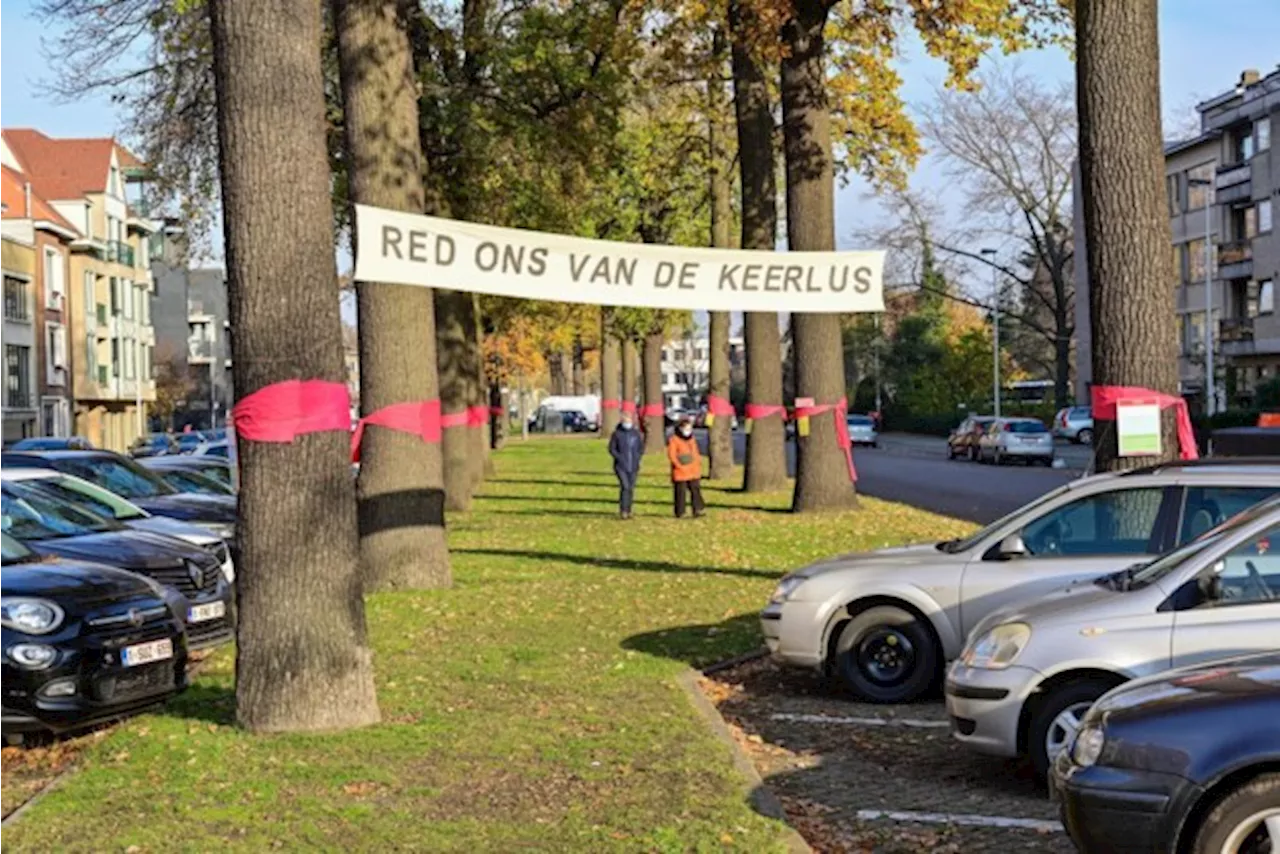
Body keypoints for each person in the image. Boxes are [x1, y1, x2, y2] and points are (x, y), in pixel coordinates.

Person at [608, 410, 644, 519]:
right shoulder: (617, 434)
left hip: (633, 465)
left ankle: (629, 510)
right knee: (625, 487)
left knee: (631, 488)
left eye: (629, 420)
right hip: (621, 466)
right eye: (625, 420)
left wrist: (637, 458)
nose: (627, 422)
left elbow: (640, 448)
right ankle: (623, 510)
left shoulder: (636, 434)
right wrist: (619, 458)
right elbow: (612, 449)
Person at [667, 416, 704, 518]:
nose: (688, 431)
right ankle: (680, 511)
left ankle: (698, 509)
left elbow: (696, 453)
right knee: (680, 492)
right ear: (680, 428)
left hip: (693, 470)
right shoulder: (674, 440)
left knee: (695, 490)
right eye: (686, 428)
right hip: (681, 470)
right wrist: (679, 465)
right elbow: (672, 455)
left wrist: (697, 464)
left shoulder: (692, 439)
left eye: (689, 428)